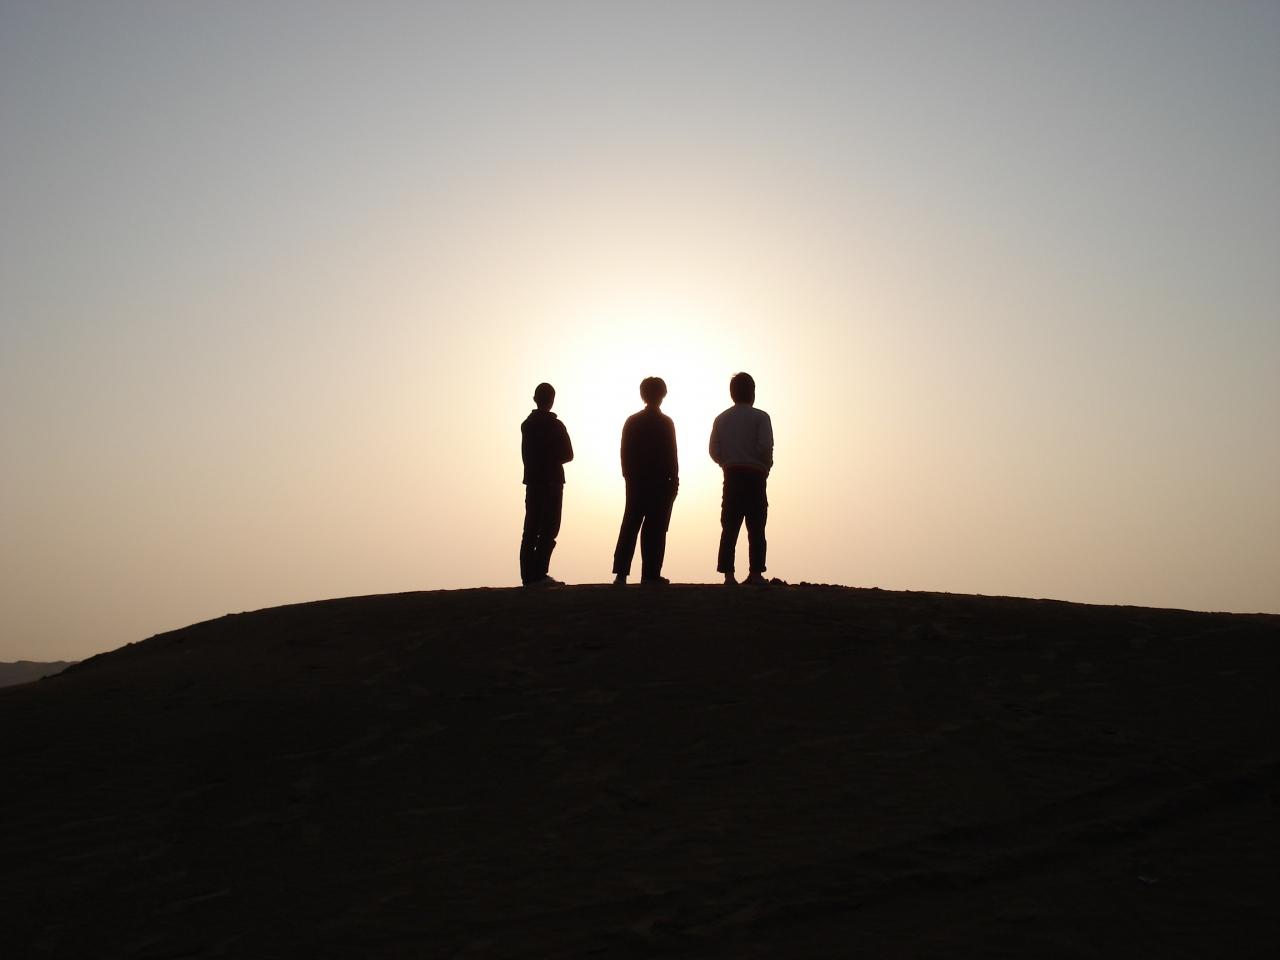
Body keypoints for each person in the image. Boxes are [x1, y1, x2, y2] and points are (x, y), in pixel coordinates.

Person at [612, 377, 679, 585]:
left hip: (637, 481)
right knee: (656, 528)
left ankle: (621, 574)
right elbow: (672, 455)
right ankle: (650, 574)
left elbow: (624, 452)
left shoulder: (632, 421)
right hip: (659, 482)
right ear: (663, 395)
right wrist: (674, 479)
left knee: (630, 524)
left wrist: (628, 475)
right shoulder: (666, 422)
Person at [708, 372, 773, 585]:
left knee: (729, 526)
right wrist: (765, 465)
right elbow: (765, 446)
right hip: (755, 475)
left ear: (732, 393)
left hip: (732, 474)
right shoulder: (761, 417)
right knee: (756, 526)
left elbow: (713, 450)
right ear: (752, 392)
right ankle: (756, 572)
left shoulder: (721, 419)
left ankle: (728, 574)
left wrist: (725, 462)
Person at [520, 382, 573, 587]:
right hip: (551, 482)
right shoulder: (555, 425)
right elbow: (568, 454)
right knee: (548, 528)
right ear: (552, 401)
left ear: (535, 399)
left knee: (531, 528)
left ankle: (529, 576)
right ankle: (539, 573)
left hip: (534, 482)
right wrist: (552, 458)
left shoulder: (527, 425)